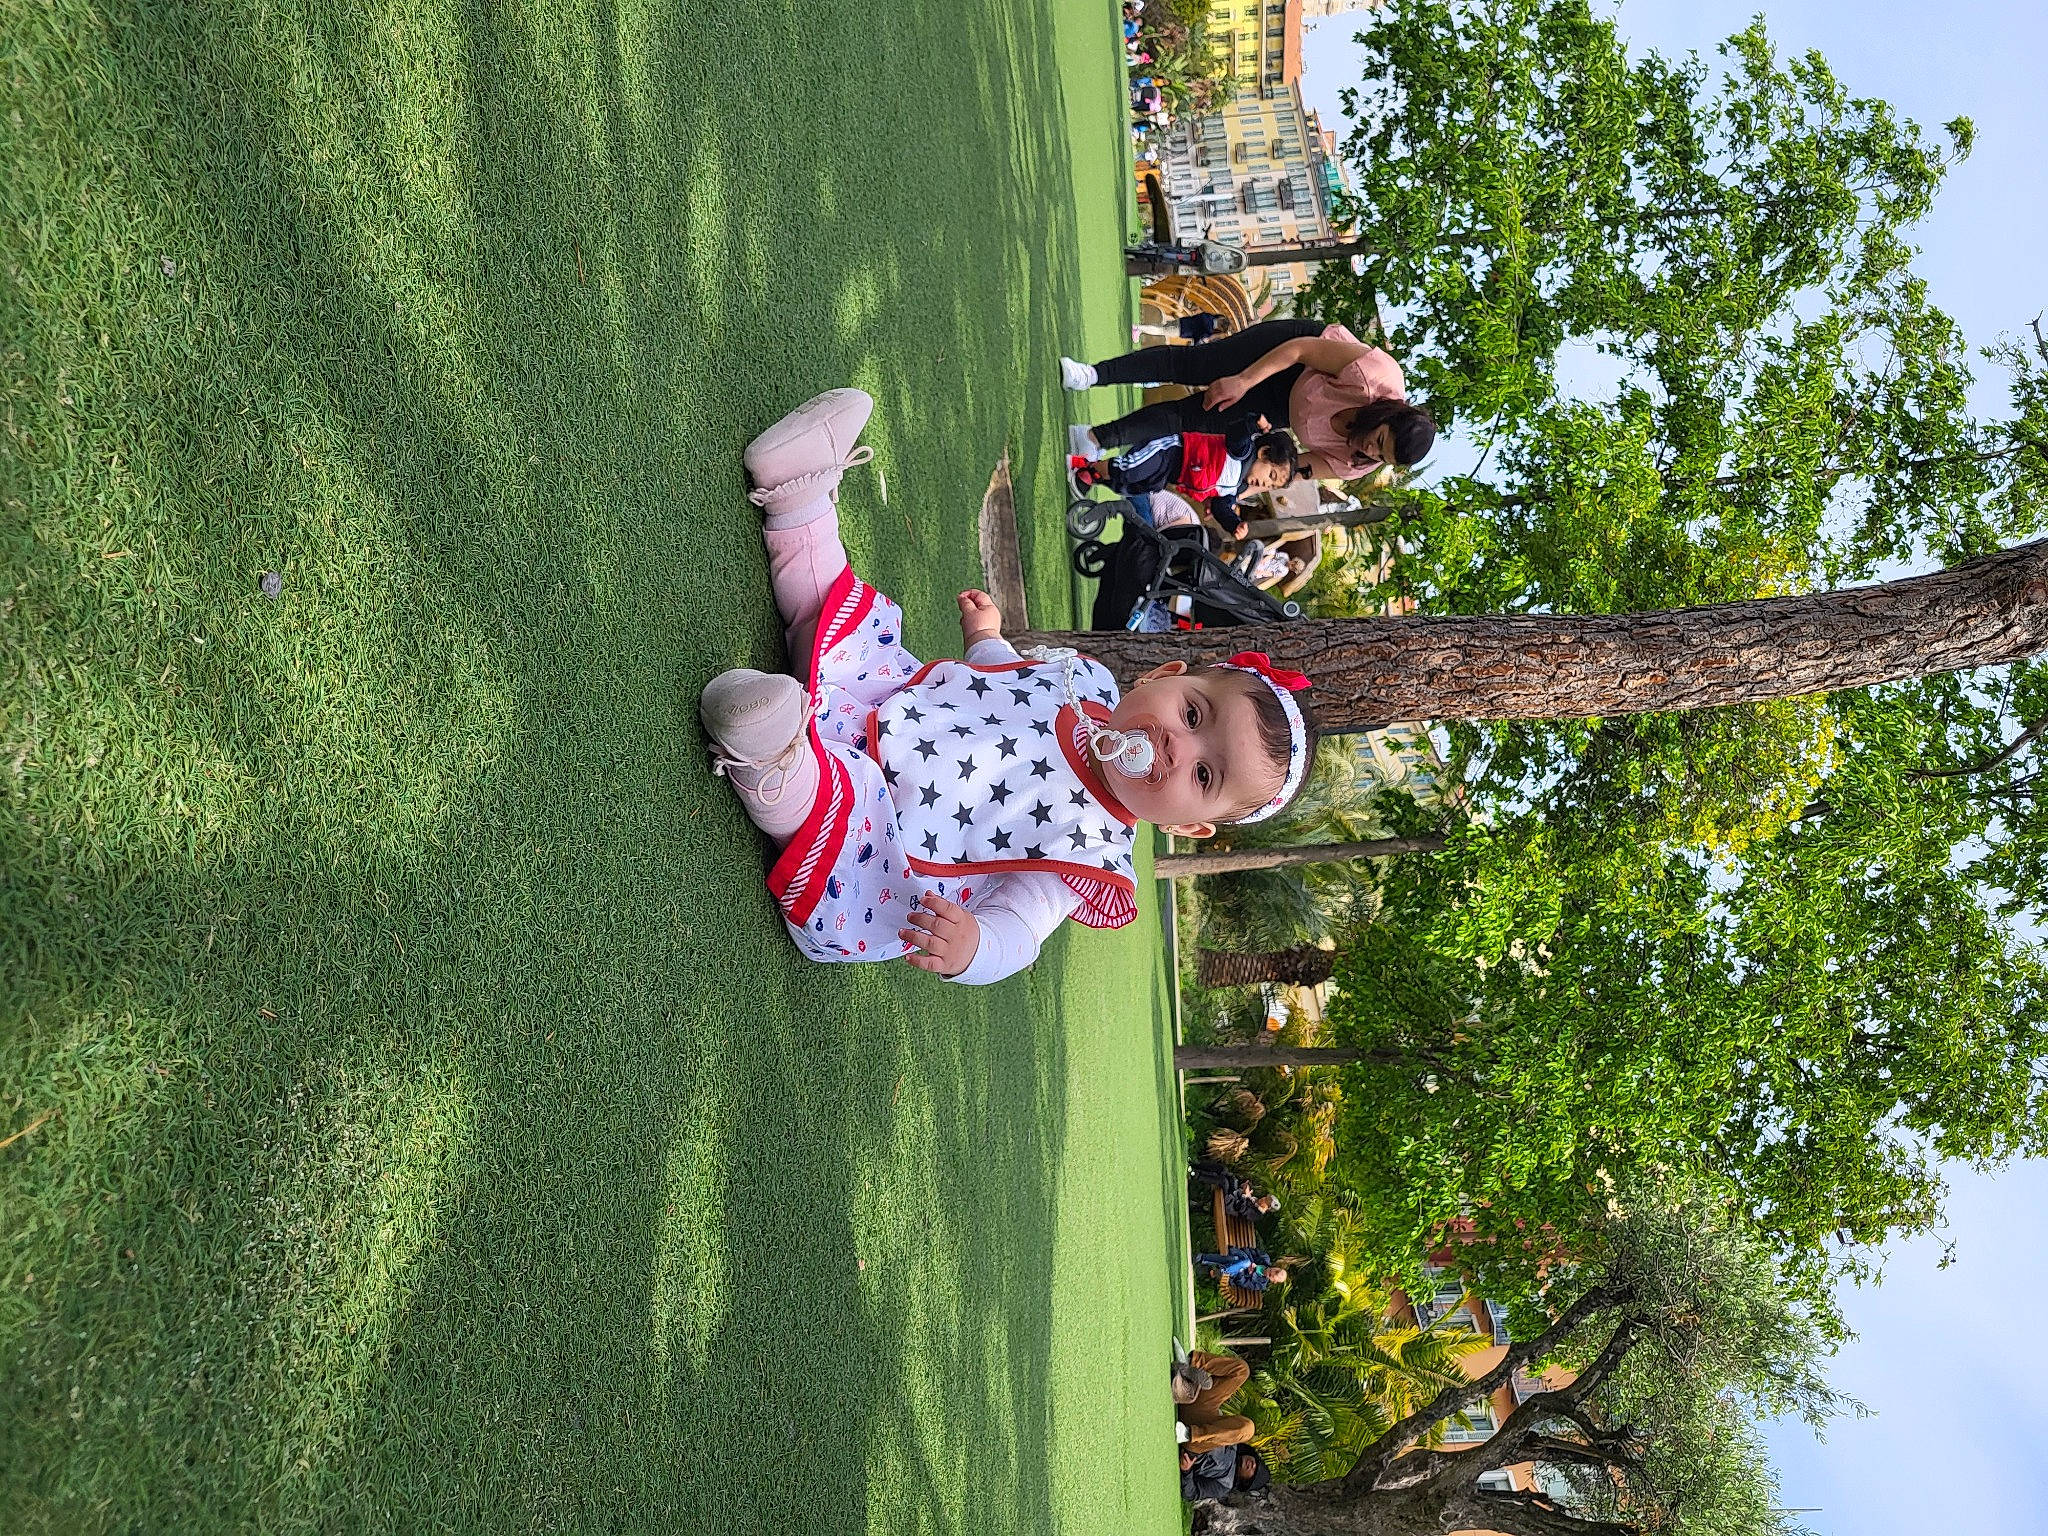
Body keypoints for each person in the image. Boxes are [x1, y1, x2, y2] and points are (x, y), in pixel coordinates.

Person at [699, 388, 1323, 982]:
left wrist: (979, 947)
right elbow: (1008, 685)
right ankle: (798, 496)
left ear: (1190, 828)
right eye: (1192, 715)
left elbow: (1023, 929)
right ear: (1164, 675)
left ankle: (770, 756)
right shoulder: (1087, 685)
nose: (1177, 749)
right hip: (886, 704)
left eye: (1204, 777)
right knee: (845, 625)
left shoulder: (1087, 851)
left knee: (825, 805)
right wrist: (986, 638)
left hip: (877, 844)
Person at [1060, 317, 1437, 480]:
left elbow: (1295, 468)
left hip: (1284, 409)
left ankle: (1093, 440)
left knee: (1197, 417)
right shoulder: (1373, 377)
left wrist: (1257, 476)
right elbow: (1303, 350)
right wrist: (1242, 380)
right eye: (1381, 441)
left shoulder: (1359, 463)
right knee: (1196, 367)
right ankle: (1092, 374)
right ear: (1389, 413)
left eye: (1381, 457)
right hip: (1292, 355)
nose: (1372, 451)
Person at [1073, 426, 1303, 541]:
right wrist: (1253, 423)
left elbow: (1223, 507)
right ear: (1264, 453)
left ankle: (1091, 473)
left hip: (1170, 476)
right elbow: (1237, 431)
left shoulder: (1236, 488)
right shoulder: (1242, 451)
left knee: (1133, 487)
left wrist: (1234, 524)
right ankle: (1088, 466)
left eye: (1270, 487)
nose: (1264, 483)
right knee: (1130, 469)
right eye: (1270, 476)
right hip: (1171, 452)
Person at [1173, 1348, 1255, 1453]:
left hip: (1196, 1438)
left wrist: (1191, 1457)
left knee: (1249, 1429)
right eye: (1254, 1464)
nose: (1251, 1465)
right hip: (1204, 1409)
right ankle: (1188, 1363)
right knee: (1243, 1370)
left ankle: (1187, 1434)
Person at [1190, 1160, 1280, 1224]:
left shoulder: (1256, 1215)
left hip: (1230, 1204)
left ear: (1267, 1208)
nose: (1263, 1199)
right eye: (1265, 1198)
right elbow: (1243, 1194)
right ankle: (1195, 1165)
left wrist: (1246, 1195)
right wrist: (1244, 1186)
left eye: (1266, 1201)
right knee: (1224, 1171)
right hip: (1233, 1196)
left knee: (1224, 1181)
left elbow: (1240, 1207)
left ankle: (1195, 1174)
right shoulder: (1256, 1201)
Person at [1182, 1444, 1272, 1502]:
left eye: (1254, 1471)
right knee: (1248, 1429)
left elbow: (1191, 1493)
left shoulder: (1224, 1485)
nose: (1253, 1465)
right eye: (1257, 1462)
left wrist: (1187, 1471)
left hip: (1193, 1452)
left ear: (1246, 1481)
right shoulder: (1235, 1441)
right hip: (1200, 1428)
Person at [1195, 1246, 1287, 1291]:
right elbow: (1248, 1250)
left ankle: (1202, 1257)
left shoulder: (1260, 1284)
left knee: (1233, 1260)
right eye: (1272, 1271)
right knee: (1241, 1261)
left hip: (1235, 1274)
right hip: (1240, 1256)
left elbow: (1242, 1283)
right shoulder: (1265, 1258)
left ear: (1272, 1281)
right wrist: (1250, 1263)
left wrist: (1244, 1271)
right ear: (1275, 1267)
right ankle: (1220, 1271)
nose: (1269, 1273)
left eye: (1270, 1276)